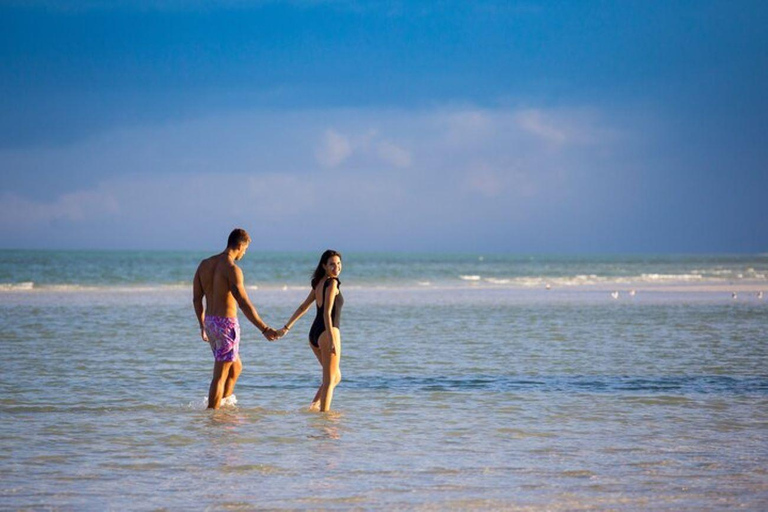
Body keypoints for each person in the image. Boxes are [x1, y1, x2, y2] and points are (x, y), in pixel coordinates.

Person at [193, 228, 278, 409]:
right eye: (245, 249)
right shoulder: (232, 269)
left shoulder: (204, 264)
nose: (244, 253)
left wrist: (202, 325)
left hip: (211, 323)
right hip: (226, 325)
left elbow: (196, 298)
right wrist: (264, 328)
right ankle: (213, 417)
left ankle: (224, 405)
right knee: (220, 375)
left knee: (235, 366)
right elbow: (243, 302)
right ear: (240, 245)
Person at [277, 250, 344, 412]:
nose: (337, 268)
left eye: (339, 264)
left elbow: (303, 307)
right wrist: (332, 339)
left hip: (314, 334)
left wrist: (286, 328)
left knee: (336, 377)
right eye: (332, 264)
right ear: (324, 266)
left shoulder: (319, 282)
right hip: (327, 333)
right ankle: (325, 420)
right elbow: (327, 313)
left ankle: (313, 407)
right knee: (329, 380)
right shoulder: (332, 283)